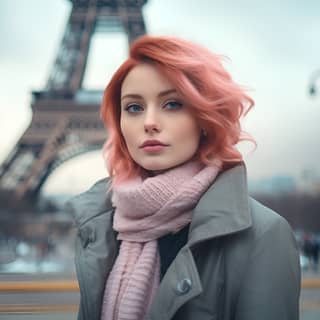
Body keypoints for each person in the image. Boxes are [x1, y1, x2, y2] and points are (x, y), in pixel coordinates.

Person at [67, 35, 301, 320]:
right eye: (134, 108)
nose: (149, 122)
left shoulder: (264, 236)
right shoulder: (104, 226)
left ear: (205, 118)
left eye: (172, 104)